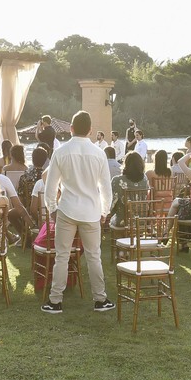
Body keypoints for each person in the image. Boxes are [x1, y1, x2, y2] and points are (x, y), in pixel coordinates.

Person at [40, 111, 115, 315]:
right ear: (90, 131)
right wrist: (104, 211)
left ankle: (55, 301)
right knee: (94, 256)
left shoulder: (61, 152)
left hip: (67, 208)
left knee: (62, 256)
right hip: (91, 210)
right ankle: (100, 299)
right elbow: (106, 188)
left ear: (71, 128)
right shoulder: (99, 153)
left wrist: (52, 208)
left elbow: (50, 186)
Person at [108, 151, 151, 229]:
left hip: (122, 220)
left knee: (113, 218)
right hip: (141, 220)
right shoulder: (144, 179)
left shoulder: (117, 180)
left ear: (126, 164)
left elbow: (112, 203)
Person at [17, 145, 49, 227]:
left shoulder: (25, 176)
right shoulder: (47, 178)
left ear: (32, 159)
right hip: (46, 210)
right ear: (45, 160)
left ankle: (25, 234)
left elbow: (20, 198)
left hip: (29, 210)